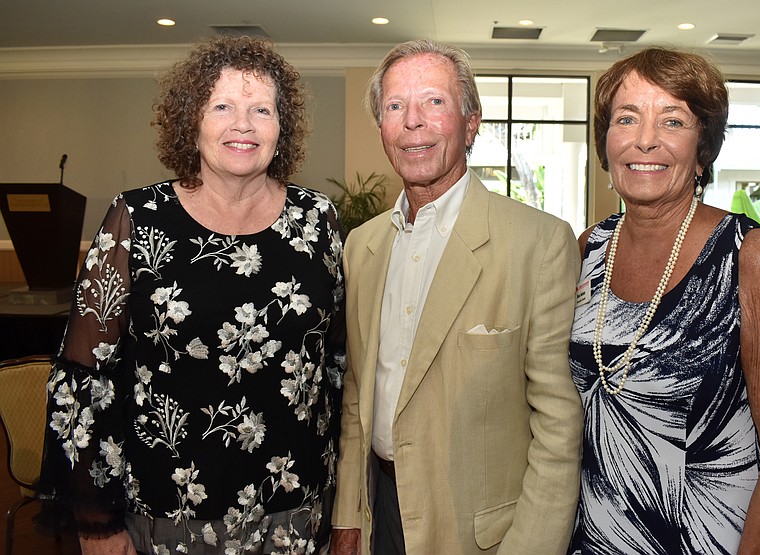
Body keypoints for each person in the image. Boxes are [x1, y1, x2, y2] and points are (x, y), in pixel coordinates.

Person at [38, 35, 345, 554]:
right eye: (221, 106)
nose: (242, 124)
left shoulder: (318, 221)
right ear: (192, 121)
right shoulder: (137, 219)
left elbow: (335, 364)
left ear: (281, 128)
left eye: (261, 109)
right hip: (166, 516)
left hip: (294, 514)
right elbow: (84, 380)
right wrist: (97, 522)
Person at [330, 38, 582, 554]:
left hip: (479, 533)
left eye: (434, 102)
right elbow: (358, 390)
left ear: (471, 123)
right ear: (382, 128)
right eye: (395, 106)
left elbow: (558, 426)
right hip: (379, 514)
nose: (413, 121)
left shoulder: (538, 242)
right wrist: (348, 515)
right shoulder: (362, 246)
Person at [568, 47, 760, 554]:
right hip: (591, 538)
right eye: (626, 118)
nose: (645, 140)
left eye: (672, 120)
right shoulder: (588, 248)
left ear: (703, 149)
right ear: (605, 142)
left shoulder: (749, 255)